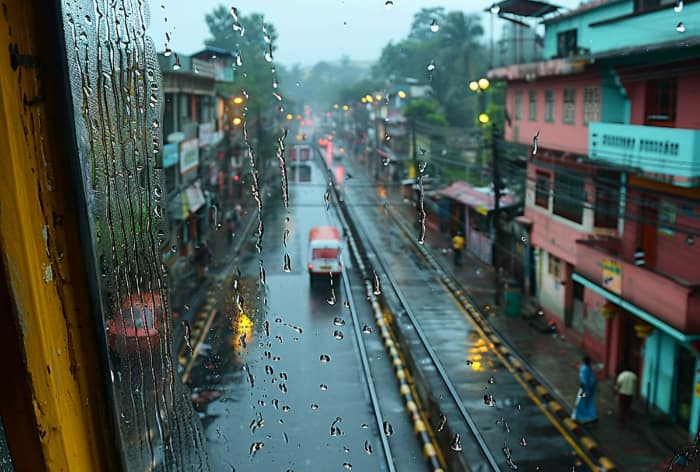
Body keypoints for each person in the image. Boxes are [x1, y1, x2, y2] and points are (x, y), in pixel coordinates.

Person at [572, 355, 598, 424]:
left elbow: (583, 381)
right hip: (590, 390)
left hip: (584, 390)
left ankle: (578, 417)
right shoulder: (590, 368)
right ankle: (591, 416)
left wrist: (582, 391)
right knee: (589, 402)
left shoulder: (583, 369)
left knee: (580, 401)